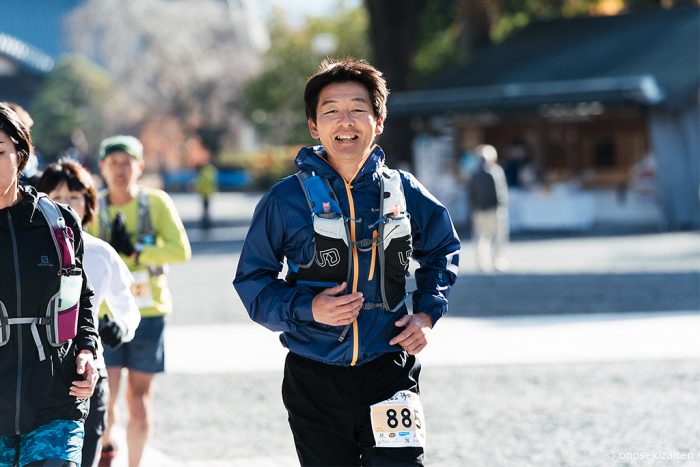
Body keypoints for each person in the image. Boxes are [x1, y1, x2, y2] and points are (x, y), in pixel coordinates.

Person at [233, 58, 461, 466]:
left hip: (390, 369)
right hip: (314, 376)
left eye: (358, 109)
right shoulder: (285, 200)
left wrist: (426, 314)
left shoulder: (404, 190)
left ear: (379, 121)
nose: (346, 121)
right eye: (331, 111)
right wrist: (309, 308)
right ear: (313, 126)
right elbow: (253, 280)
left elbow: (444, 249)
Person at [0, 103, 99, 466]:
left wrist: (87, 350)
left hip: (54, 403)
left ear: (20, 155)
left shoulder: (56, 222)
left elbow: (80, 297)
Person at [87, 135, 191, 467]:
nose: (120, 170)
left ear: (140, 166)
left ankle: (135, 463)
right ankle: (106, 449)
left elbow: (180, 251)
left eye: (126, 162)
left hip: (149, 313)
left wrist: (137, 251)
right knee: (106, 395)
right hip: (107, 315)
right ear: (101, 168)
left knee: (140, 399)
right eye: (113, 163)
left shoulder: (156, 203)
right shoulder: (93, 206)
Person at [37, 160, 141, 467]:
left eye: (75, 197)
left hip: (88, 374)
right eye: (56, 196)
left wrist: (121, 327)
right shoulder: (21, 253)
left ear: (89, 203)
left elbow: (128, 307)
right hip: (34, 378)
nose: (65, 204)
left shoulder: (100, 253)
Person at [468, 144, 509, 272]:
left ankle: (487, 262)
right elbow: (501, 192)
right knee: (494, 237)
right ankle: (494, 261)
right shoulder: (495, 171)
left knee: (484, 238)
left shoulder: (475, 173)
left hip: (482, 210)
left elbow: (471, 193)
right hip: (491, 209)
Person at [193, 161, 218, 230]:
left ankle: (206, 224)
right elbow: (212, 183)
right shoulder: (207, 174)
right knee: (206, 210)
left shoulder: (202, 175)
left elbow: (200, 185)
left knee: (205, 210)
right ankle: (207, 224)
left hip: (205, 195)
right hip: (207, 194)